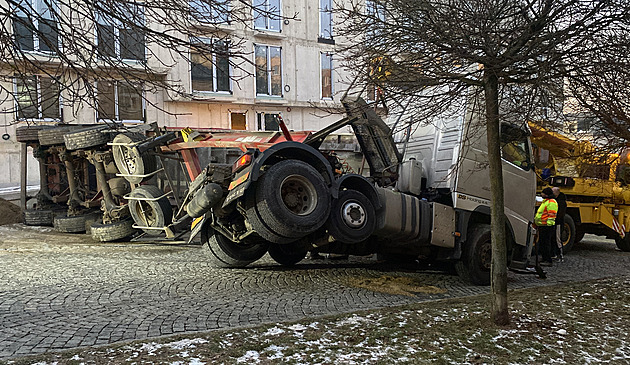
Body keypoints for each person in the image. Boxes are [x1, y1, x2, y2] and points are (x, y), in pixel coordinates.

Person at [535, 187, 558, 266]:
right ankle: (545, 258)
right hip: (543, 225)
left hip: (547, 226)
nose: (541, 194)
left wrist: (548, 224)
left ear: (546, 194)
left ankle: (548, 260)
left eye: (543, 193)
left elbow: (552, 214)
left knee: (546, 243)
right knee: (543, 243)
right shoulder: (546, 201)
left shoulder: (551, 202)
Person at [552, 187, 567, 261]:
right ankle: (554, 253)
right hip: (555, 222)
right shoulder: (556, 201)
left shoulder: (561, 202)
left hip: (558, 222)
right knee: (554, 238)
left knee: (558, 238)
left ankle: (560, 255)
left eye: (553, 191)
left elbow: (561, 213)